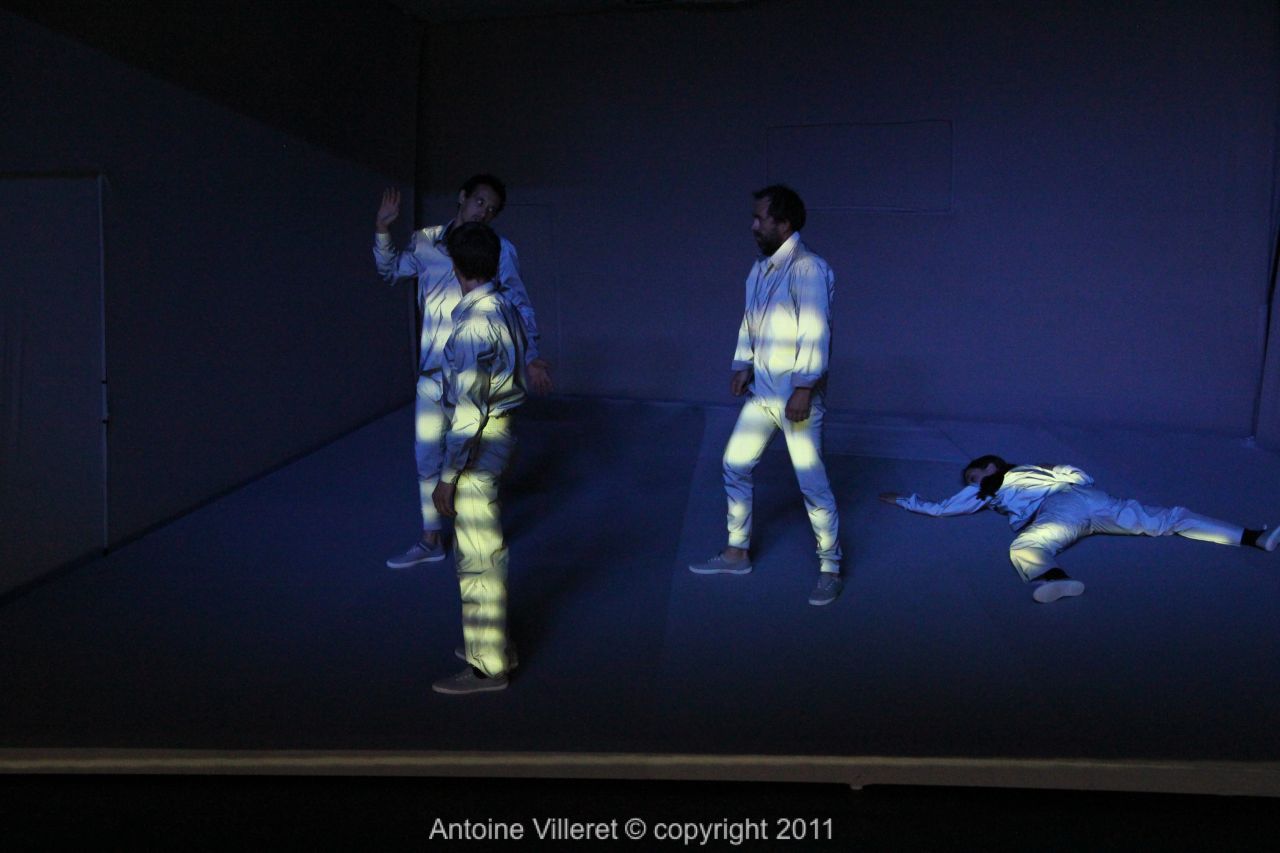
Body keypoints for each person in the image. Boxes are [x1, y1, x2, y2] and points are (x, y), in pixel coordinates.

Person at [373, 175, 552, 570]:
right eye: (480, 202)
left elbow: (520, 305)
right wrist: (383, 229)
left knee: (472, 460)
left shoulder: (500, 250)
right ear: (462, 198)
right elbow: (390, 270)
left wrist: (532, 355)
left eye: (492, 209)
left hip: (474, 374)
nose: (484, 212)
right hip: (431, 373)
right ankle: (431, 540)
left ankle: (478, 546)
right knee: (426, 457)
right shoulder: (425, 242)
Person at [689, 185, 844, 606]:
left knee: (812, 484)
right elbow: (750, 320)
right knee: (735, 463)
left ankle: (830, 567)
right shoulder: (760, 269)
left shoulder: (809, 269)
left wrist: (804, 387)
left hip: (796, 399)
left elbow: (815, 329)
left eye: (760, 218)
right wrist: (743, 363)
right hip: (762, 394)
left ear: (784, 223)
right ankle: (736, 552)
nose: (753, 225)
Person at [880, 455, 1279, 603]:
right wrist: (1060, 472)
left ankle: (1056, 579)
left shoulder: (994, 484)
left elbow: (943, 509)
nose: (970, 482)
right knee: (1168, 518)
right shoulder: (1035, 469)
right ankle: (1255, 537)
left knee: (1025, 546)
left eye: (972, 474)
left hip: (1061, 507)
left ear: (990, 467)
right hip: (1091, 501)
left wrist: (904, 500)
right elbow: (1082, 477)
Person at [429, 222, 528, 694]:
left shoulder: (473, 323)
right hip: (501, 434)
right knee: (484, 548)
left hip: (480, 442)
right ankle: (494, 646)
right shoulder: (503, 305)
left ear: (456, 268)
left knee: (477, 557)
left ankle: (487, 667)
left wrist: (448, 475)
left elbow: (469, 411)